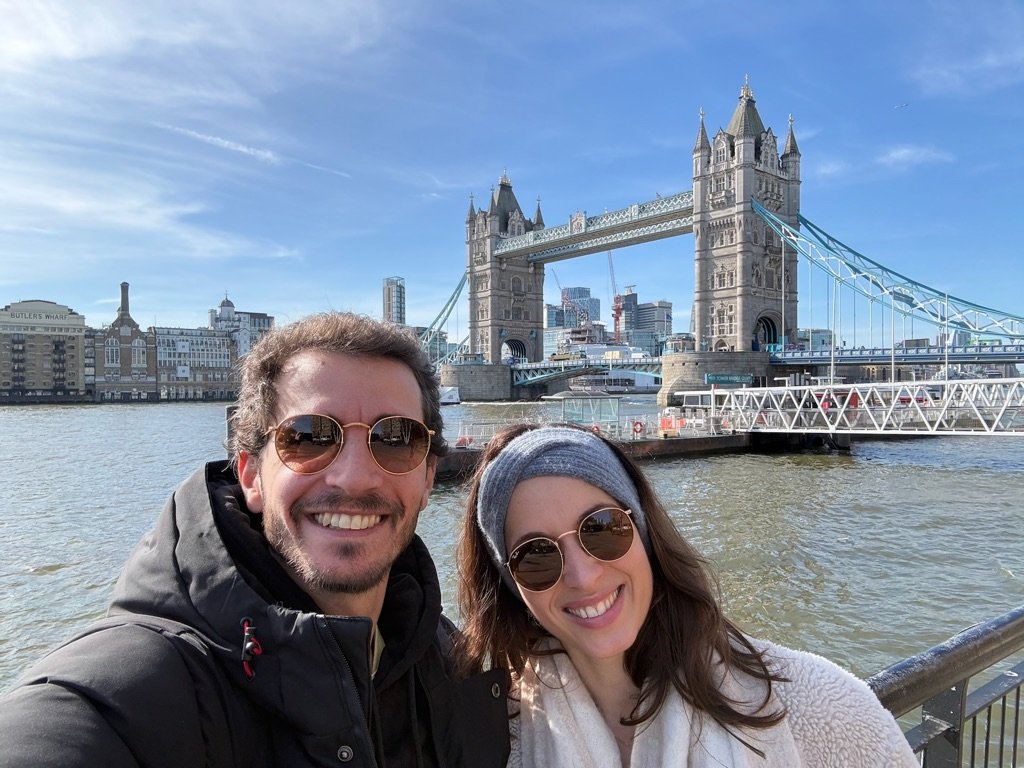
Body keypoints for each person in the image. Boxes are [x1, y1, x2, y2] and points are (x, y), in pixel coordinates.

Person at [0, 312, 510, 768]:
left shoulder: (455, 662)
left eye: (396, 438)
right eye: (309, 436)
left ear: (427, 476)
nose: (355, 477)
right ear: (250, 474)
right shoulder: (139, 689)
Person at [457, 423, 918, 768]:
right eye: (536, 555)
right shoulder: (493, 742)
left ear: (644, 533)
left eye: (602, 529)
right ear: (512, 587)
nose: (583, 576)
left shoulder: (820, 705)